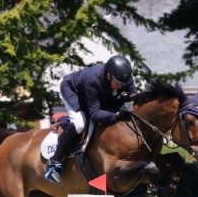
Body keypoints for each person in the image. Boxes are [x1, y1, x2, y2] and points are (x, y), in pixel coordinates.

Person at [43, 55, 138, 184]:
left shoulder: (123, 76)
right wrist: (116, 115)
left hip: (99, 96)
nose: (121, 87)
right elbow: (95, 114)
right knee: (80, 123)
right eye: (118, 83)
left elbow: (134, 97)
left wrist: (130, 105)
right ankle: (54, 162)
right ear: (109, 75)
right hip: (74, 92)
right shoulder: (93, 80)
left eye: (123, 84)